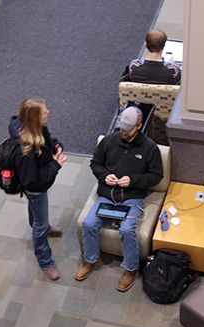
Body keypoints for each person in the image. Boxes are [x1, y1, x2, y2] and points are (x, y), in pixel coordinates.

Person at [75, 106, 163, 292]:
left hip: (132, 197)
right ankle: (90, 259)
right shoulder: (108, 141)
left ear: (138, 126)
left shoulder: (150, 147)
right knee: (89, 224)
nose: (123, 132)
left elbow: (156, 175)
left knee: (126, 229)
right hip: (108, 194)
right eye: (121, 127)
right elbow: (95, 164)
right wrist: (104, 176)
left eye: (127, 129)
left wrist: (133, 180)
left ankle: (131, 268)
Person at [9, 99, 66, 281]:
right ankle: (45, 262)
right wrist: (55, 165)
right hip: (36, 189)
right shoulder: (25, 151)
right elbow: (33, 181)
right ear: (34, 118)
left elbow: (47, 141)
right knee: (39, 226)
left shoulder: (35, 128)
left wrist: (55, 145)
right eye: (43, 112)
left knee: (36, 209)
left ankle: (43, 225)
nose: (48, 112)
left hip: (36, 185)